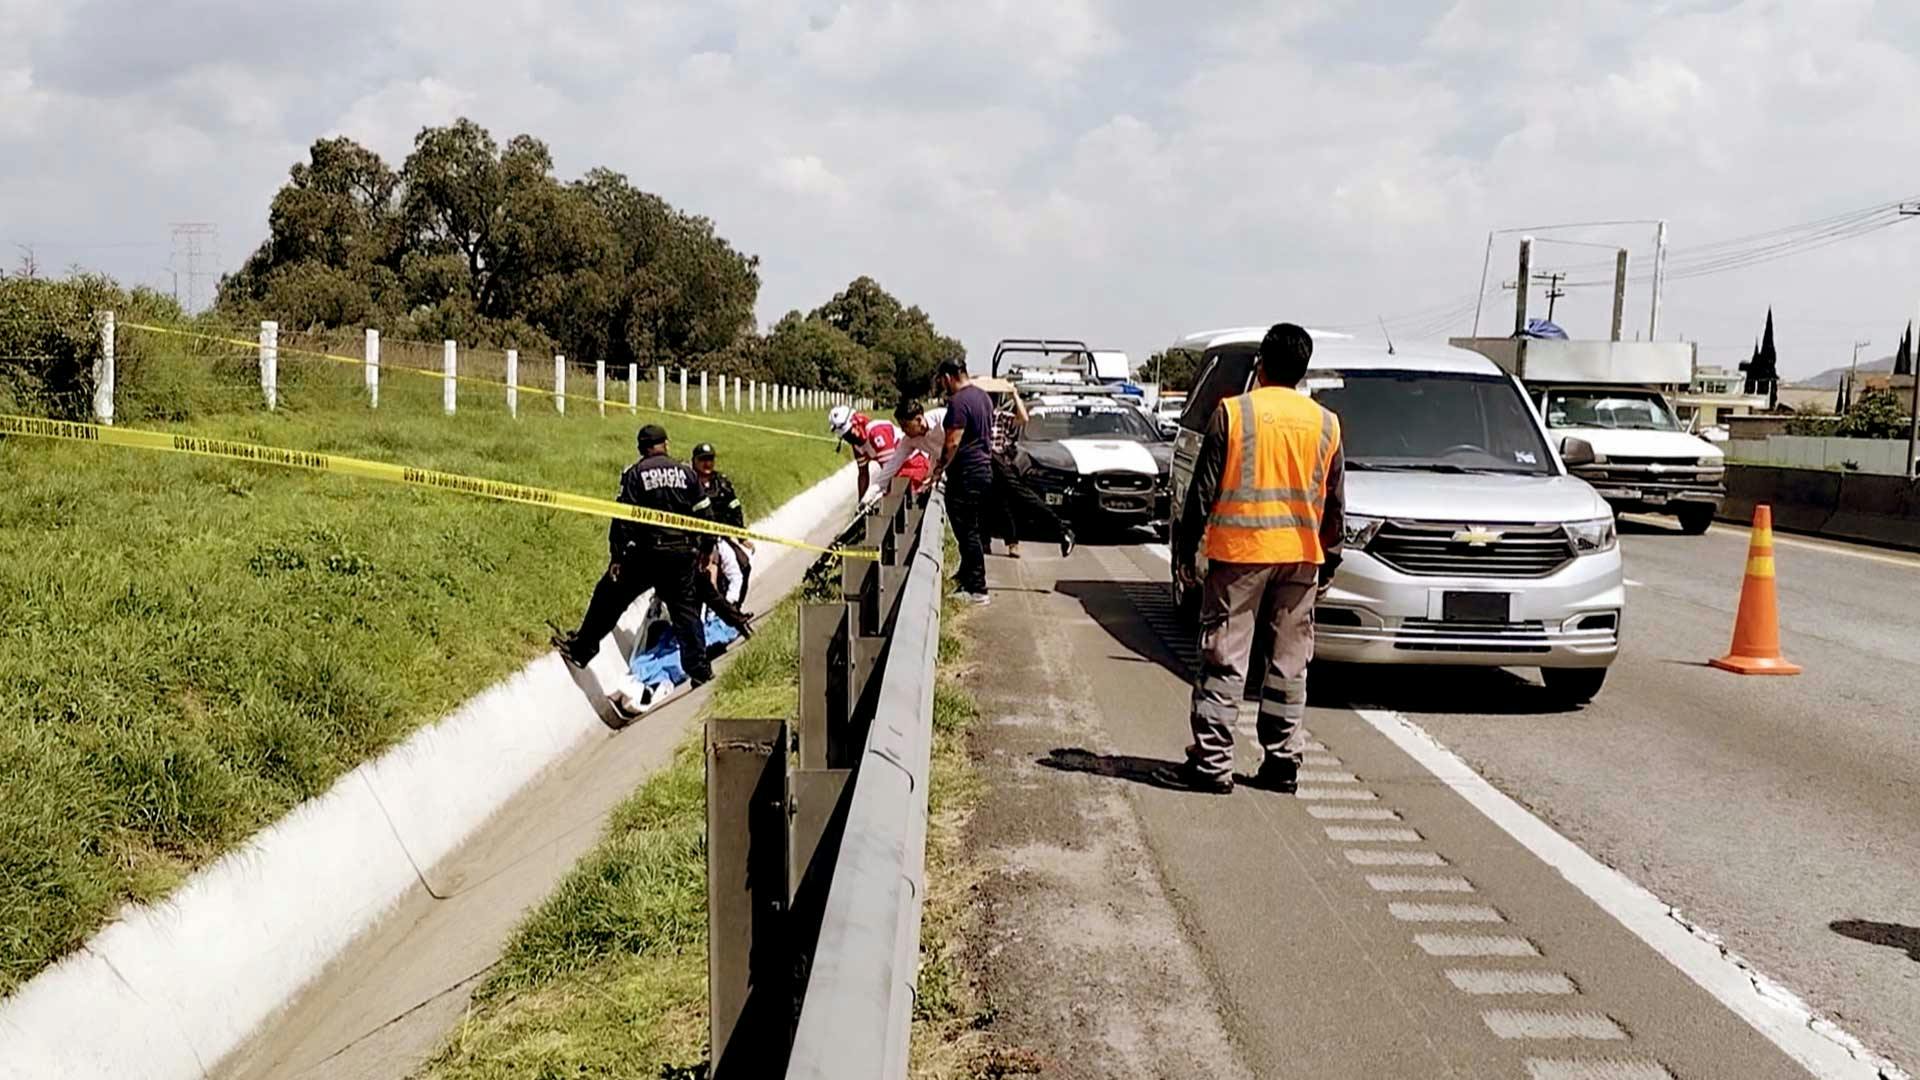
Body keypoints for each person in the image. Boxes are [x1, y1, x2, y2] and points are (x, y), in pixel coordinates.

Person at [1156, 323, 1346, 796]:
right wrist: (1331, 560)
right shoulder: (1326, 423)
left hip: (1241, 556)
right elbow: (1336, 501)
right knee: (1287, 665)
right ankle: (1282, 764)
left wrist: (1185, 550)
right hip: (1301, 558)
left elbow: (1203, 491)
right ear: (1303, 371)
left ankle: (1212, 765)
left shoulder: (1234, 414)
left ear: (1260, 363)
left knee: (1225, 659)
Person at [551, 424, 718, 685]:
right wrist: (707, 549)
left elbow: (623, 519)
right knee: (685, 612)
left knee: (609, 596)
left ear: (642, 448)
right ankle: (700, 670)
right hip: (681, 554)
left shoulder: (635, 473)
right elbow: (706, 516)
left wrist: (617, 556)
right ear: (666, 444)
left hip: (646, 556)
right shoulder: (687, 474)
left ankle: (581, 650)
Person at [927, 359, 996, 604]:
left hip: (966, 473)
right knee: (972, 528)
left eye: (941, 380)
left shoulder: (958, 402)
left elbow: (953, 442)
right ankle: (967, 577)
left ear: (948, 377)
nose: (942, 385)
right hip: (984, 471)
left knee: (967, 531)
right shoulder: (983, 397)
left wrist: (939, 467)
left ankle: (978, 588)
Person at [986, 386, 1074, 559]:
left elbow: (1023, 417)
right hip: (987, 463)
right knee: (998, 504)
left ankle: (1061, 530)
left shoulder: (1000, 417)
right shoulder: (978, 417)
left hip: (998, 462)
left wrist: (1014, 395)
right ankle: (994, 541)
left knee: (1021, 498)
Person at [690, 441, 755, 610]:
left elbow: (735, 508)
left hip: (720, 537)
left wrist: (741, 537)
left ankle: (734, 609)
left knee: (744, 565)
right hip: (695, 538)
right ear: (694, 461)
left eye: (710, 459)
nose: (707, 464)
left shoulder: (722, 483)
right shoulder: (688, 484)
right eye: (703, 459)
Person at [828, 405, 910, 504]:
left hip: (910, 462)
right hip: (895, 469)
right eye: (846, 437)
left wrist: (879, 494)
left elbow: (889, 470)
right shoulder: (857, 444)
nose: (850, 439)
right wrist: (861, 502)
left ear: (857, 422)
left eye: (850, 433)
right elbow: (863, 474)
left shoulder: (876, 431)